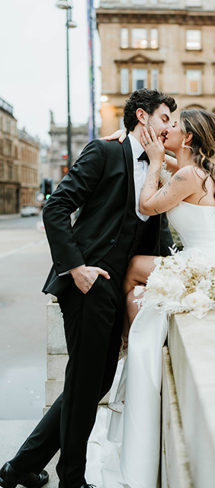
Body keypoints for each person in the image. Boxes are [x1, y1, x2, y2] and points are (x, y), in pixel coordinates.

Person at [89, 108, 215, 488]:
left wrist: (152, 163)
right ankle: (129, 339)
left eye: (174, 126)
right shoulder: (194, 168)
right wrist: (127, 138)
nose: (166, 129)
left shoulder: (187, 175)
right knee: (137, 276)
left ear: (188, 138)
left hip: (203, 264)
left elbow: (148, 206)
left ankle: (124, 341)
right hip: (208, 261)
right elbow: (154, 151)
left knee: (133, 268)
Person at [0, 88, 176, 488]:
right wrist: (77, 268)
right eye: (165, 118)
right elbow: (56, 207)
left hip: (118, 289)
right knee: (85, 383)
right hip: (87, 284)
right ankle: (72, 480)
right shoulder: (104, 152)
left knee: (92, 382)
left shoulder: (157, 166)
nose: (170, 127)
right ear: (144, 117)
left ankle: (21, 466)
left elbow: (157, 233)